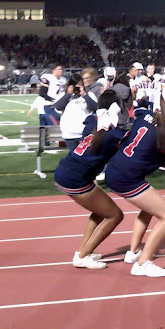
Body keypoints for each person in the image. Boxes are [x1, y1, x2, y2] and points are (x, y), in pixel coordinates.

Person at [104, 94, 165, 277]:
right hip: (127, 177)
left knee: (150, 208)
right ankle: (143, 263)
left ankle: (134, 251)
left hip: (115, 168)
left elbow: (139, 111)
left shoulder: (142, 115)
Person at [54, 90, 129, 269]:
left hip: (67, 170)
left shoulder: (91, 121)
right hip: (76, 178)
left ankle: (83, 250)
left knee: (100, 211)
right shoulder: (115, 135)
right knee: (115, 215)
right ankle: (83, 255)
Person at [54, 68, 102, 150]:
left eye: (79, 85)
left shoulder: (89, 94)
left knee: (86, 157)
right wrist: (68, 94)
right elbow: (58, 106)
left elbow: (95, 108)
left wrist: (84, 95)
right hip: (69, 133)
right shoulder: (64, 95)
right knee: (74, 157)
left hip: (85, 133)